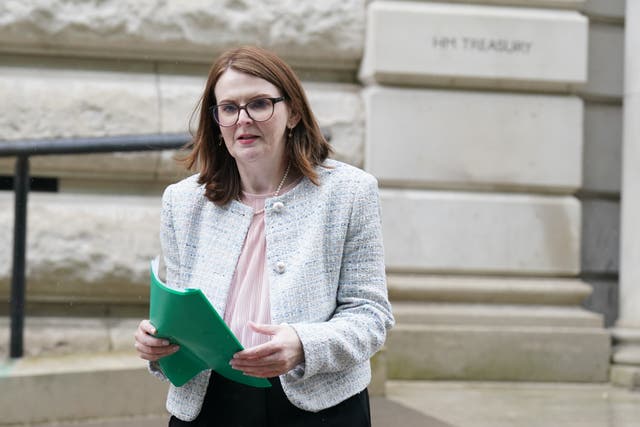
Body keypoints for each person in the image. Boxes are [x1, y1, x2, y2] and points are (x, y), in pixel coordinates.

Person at [133, 45, 394, 426]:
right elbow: (178, 311)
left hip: (318, 405)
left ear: (294, 114)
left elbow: (371, 316)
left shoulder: (350, 192)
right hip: (209, 402)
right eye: (229, 108)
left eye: (259, 104)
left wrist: (304, 346)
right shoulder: (183, 201)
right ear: (216, 121)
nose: (243, 120)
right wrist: (156, 341)